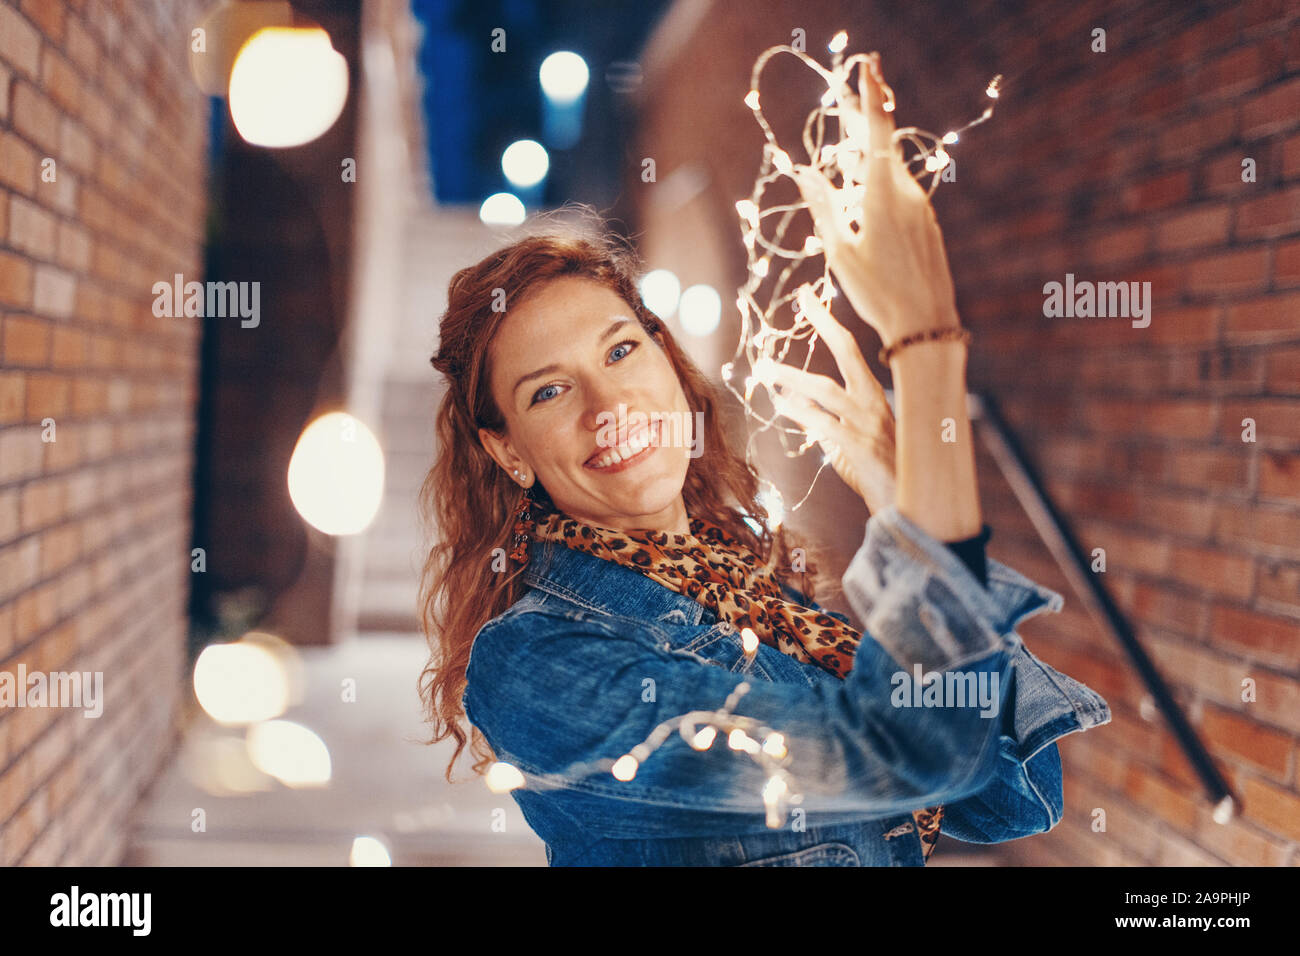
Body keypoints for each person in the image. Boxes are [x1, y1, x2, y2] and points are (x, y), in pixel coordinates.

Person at [418, 53, 1110, 865]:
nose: (610, 408)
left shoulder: (758, 598)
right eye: (547, 393)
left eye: (619, 351)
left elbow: (1007, 794)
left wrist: (901, 500)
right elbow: (907, 750)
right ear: (508, 453)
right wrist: (926, 346)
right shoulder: (534, 668)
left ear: (669, 362)